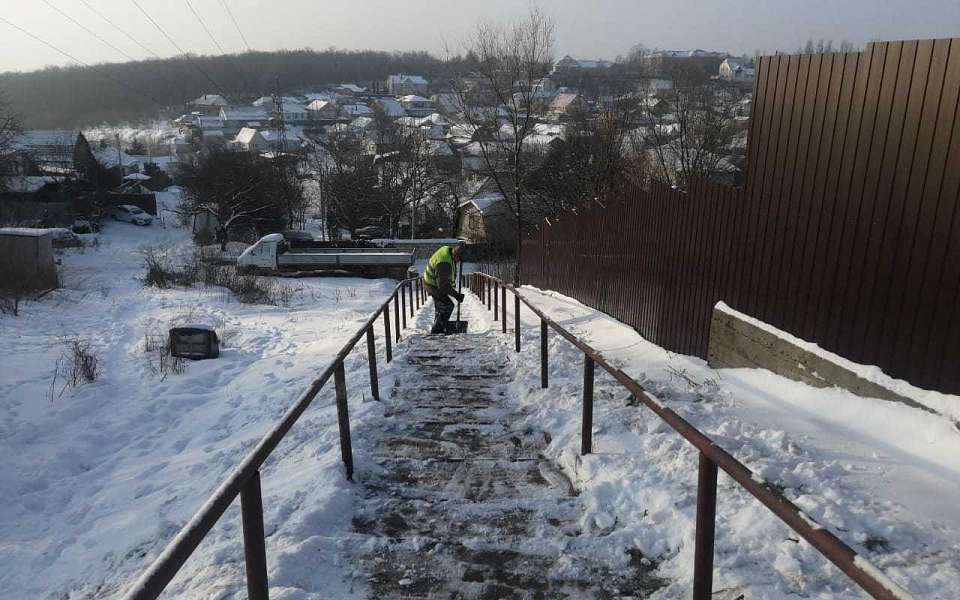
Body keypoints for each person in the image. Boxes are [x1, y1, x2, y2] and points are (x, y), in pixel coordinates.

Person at [422, 242, 465, 334]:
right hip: (432, 285)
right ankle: (436, 332)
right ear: (456, 256)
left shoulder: (449, 252)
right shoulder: (444, 263)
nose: (458, 262)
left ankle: (437, 327)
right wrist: (456, 295)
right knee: (448, 305)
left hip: (432, 283)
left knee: (440, 307)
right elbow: (442, 286)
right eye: (458, 260)